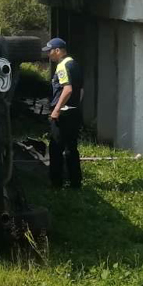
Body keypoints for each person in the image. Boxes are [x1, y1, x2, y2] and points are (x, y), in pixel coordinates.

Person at [43, 37, 84, 189]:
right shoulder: (75, 64)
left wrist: (56, 110)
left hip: (63, 115)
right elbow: (81, 91)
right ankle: (75, 183)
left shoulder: (62, 66)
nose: (49, 55)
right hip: (74, 112)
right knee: (71, 149)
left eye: (50, 51)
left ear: (58, 51)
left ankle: (56, 184)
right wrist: (75, 106)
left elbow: (68, 89)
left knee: (55, 148)